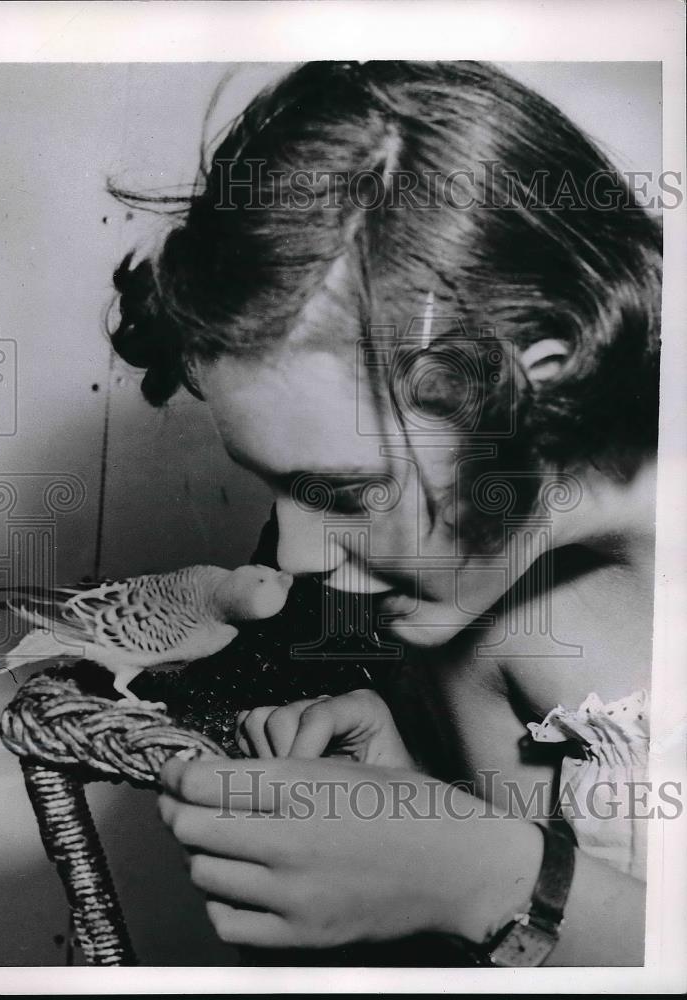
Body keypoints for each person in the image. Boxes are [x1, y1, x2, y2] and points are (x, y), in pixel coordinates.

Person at [109, 61, 661, 965]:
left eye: (347, 489)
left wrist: (491, 876)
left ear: (536, 379)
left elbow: (510, 894)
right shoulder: (483, 622)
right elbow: (525, 965)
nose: (293, 558)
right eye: (274, 485)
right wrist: (418, 822)